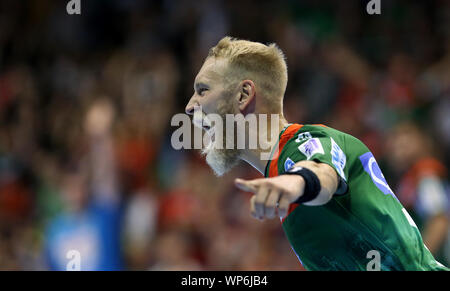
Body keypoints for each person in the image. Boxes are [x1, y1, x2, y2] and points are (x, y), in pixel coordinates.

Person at [184, 36, 448, 271]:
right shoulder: (282, 166)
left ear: (243, 95)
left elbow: (322, 174)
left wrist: (297, 181)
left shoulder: (302, 143)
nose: (189, 106)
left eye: (202, 90)